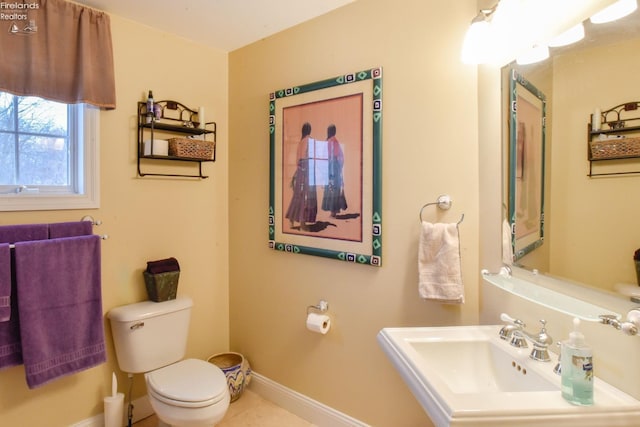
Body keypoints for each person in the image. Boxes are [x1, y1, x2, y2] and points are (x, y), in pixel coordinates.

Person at [285, 122, 317, 230]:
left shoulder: (300, 142)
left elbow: (297, 161)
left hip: (299, 170)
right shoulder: (310, 140)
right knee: (307, 197)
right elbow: (312, 156)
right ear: (310, 130)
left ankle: (291, 220)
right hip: (307, 169)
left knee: (298, 196)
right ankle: (303, 224)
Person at [321, 124, 347, 217]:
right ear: (334, 131)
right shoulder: (335, 141)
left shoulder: (327, 141)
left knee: (330, 188)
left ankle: (333, 211)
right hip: (334, 166)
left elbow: (324, 157)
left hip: (328, 167)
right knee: (335, 188)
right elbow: (341, 156)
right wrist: (340, 166)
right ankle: (333, 211)